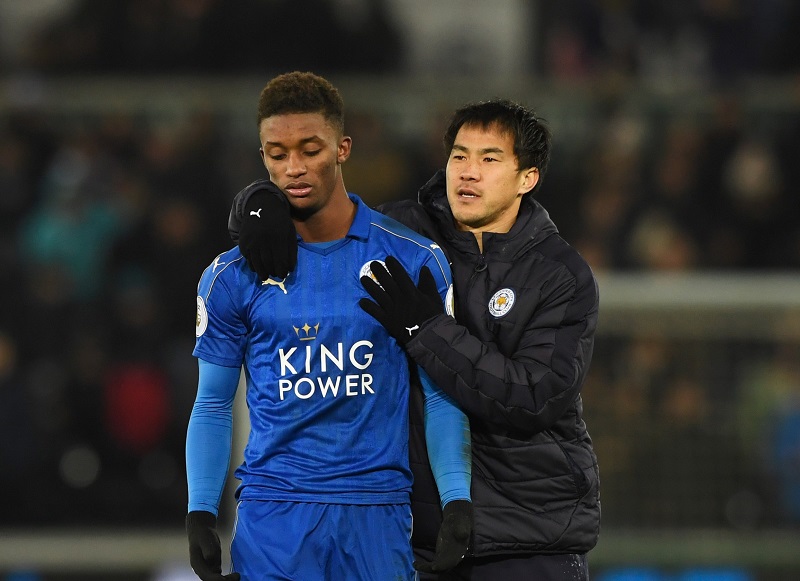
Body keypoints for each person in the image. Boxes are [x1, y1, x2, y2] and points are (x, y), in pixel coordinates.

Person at [229, 97, 601, 580]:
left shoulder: (559, 275)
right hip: (419, 537)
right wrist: (255, 205)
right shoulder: (403, 235)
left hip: (530, 536)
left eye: (489, 159)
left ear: (526, 178)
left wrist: (427, 330)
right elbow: (320, 212)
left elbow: (534, 396)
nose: (468, 172)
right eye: (459, 156)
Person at [185, 71, 473, 581]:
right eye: (277, 154)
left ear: (342, 149)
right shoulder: (232, 276)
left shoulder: (411, 259)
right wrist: (201, 512)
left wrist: (456, 499)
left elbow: (440, 393)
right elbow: (212, 402)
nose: (293, 168)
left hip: (377, 513)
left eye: (310, 149)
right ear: (262, 157)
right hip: (274, 516)